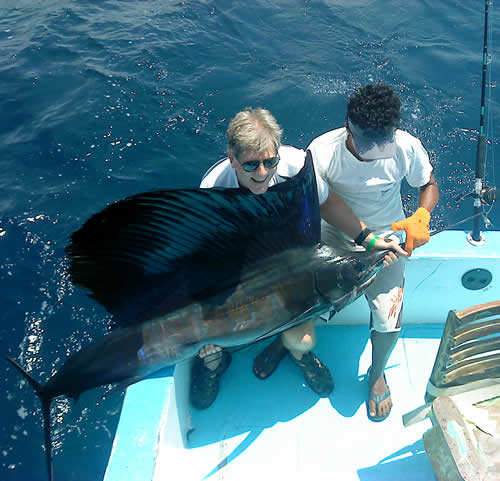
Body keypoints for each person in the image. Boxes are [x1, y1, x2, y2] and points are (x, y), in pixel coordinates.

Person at [190, 107, 406, 410]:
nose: (262, 173)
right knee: (208, 347)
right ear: (232, 158)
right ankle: (214, 365)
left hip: (290, 270)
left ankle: (295, 352)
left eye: (270, 161)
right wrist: (210, 321)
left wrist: (367, 239)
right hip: (239, 274)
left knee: (302, 341)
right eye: (251, 164)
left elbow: (328, 203)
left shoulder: (295, 166)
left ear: (278, 154)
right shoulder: (213, 190)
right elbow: (206, 262)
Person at [306, 83, 439, 421]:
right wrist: (365, 240)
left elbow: (428, 185)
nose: (374, 149)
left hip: (388, 239)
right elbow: (319, 203)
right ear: (348, 124)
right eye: (367, 140)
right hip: (336, 234)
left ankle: (377, 373)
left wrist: (421, 216)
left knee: (388, 321)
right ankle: (293, 342)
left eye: (383, 140)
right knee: (308, 299)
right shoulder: (322, 151)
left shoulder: (406, 147)